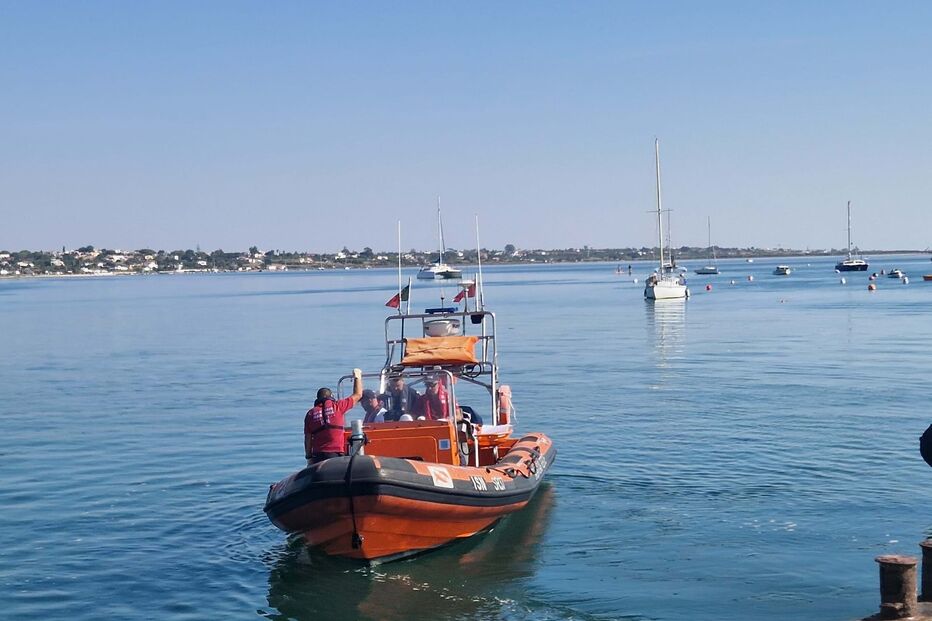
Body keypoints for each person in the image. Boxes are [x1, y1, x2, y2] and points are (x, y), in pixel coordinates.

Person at [304, 368, 363, 465]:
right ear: (331, 396)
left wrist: (309, 457)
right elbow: (358, 395)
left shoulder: (310, 414)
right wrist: (358, 377)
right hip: (335, 455)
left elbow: (308, 438)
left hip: (317, 457)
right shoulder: (337, 407)